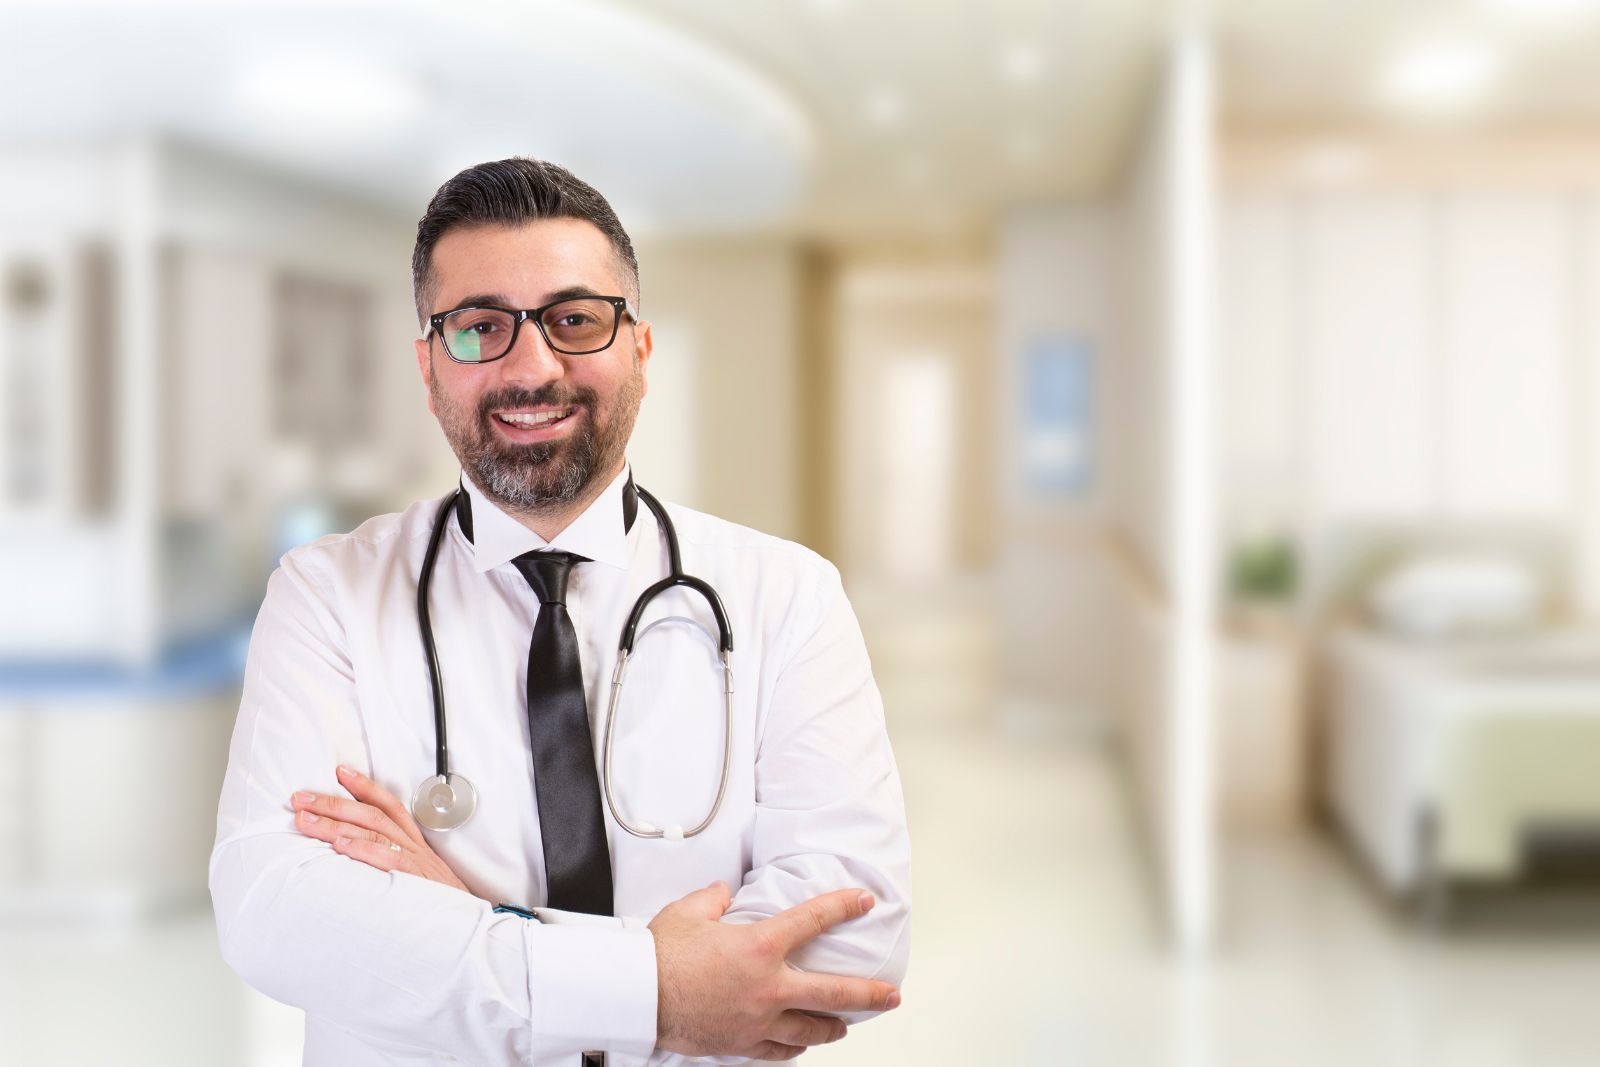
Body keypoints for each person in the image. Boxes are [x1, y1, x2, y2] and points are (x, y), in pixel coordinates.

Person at [208, 157, 911, 1067]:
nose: (532, 366)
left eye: (575, 320)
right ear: (428, 368)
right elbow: (277, 911)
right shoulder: (327, 594)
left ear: (641, 352)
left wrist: (466, 919)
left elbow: (854, 935)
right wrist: (661, 988)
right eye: (480, 328)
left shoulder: (788, 594)